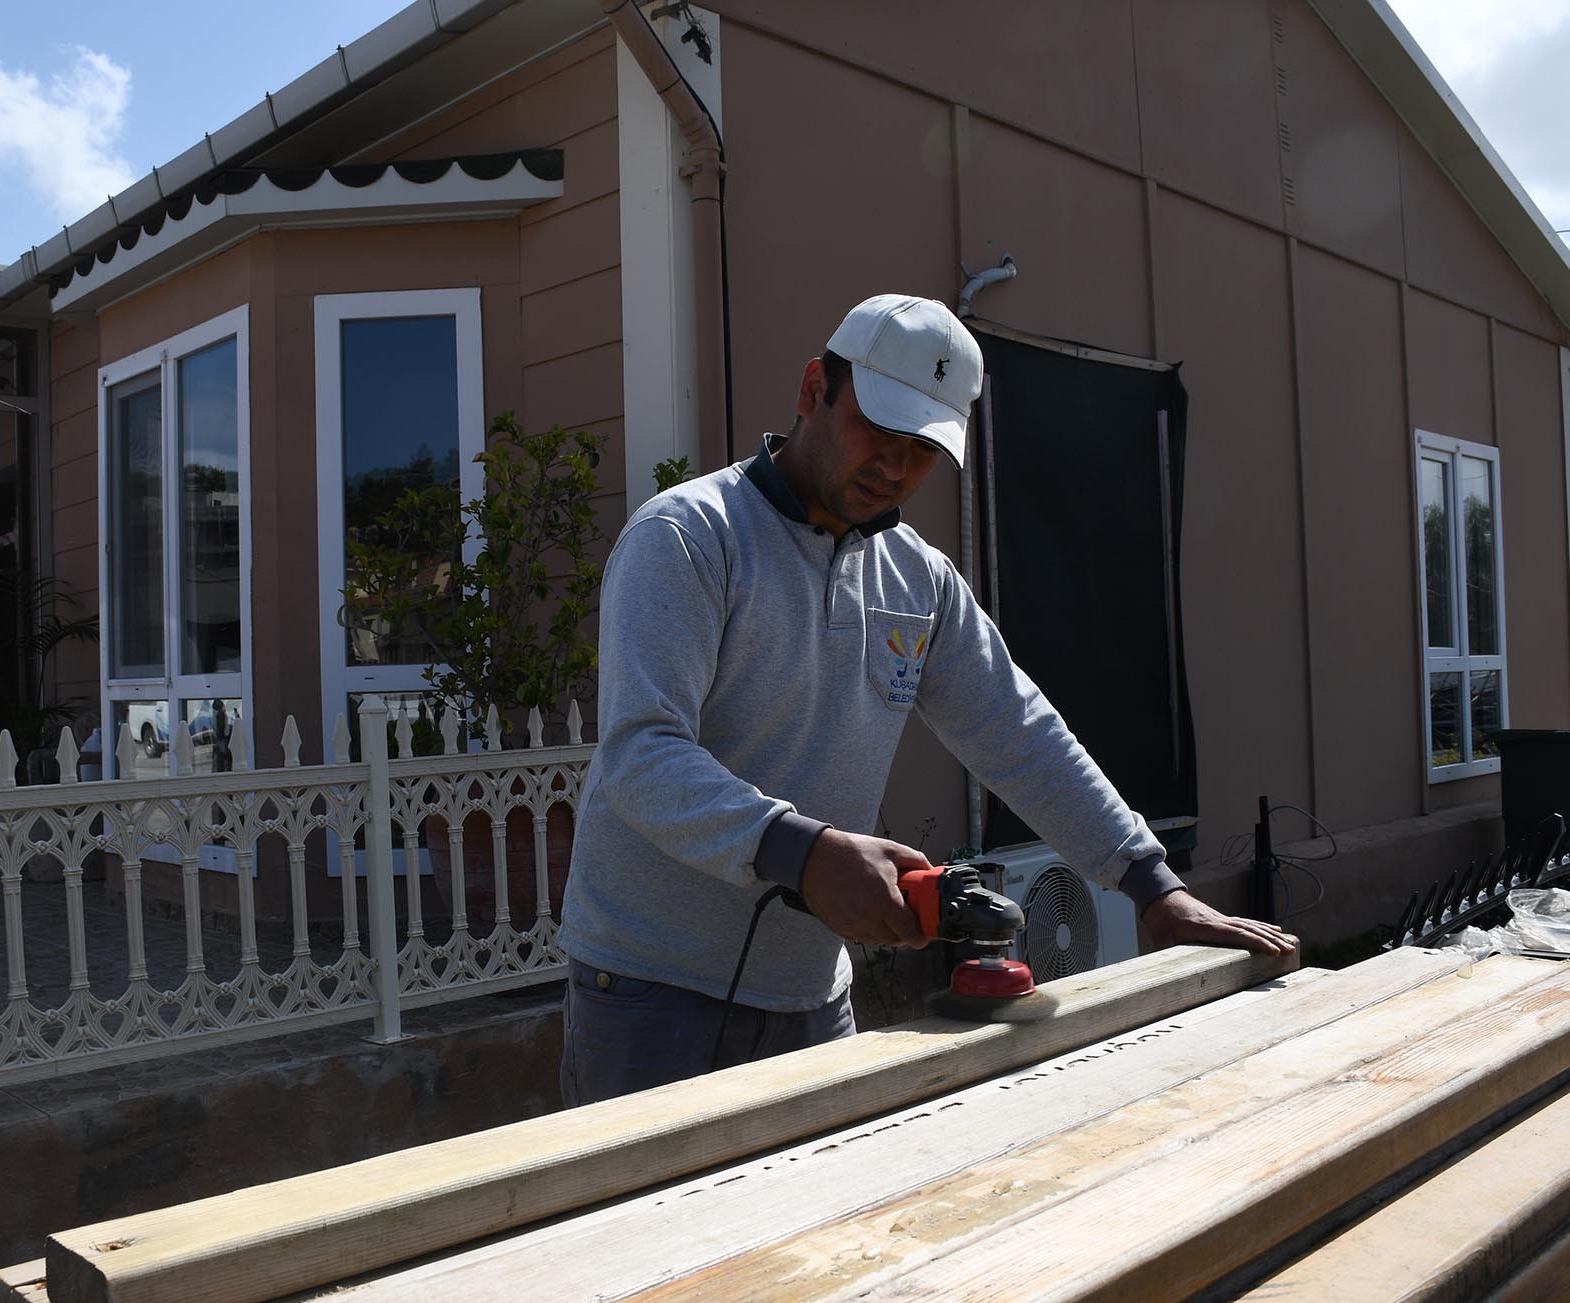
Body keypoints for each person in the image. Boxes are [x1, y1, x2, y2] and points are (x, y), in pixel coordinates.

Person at [555, 294, 1296, 1106]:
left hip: (809, 994)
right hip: (647, 992)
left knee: (829, 1228)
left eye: (921, 449)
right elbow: (641, 754)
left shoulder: (920, 581)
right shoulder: (691, 538)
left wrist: (1154, 887)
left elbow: (1017, 730)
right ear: (813, 389)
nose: (893, 467)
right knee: (657, 1234)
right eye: (876, 429)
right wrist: (804, 851)